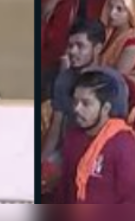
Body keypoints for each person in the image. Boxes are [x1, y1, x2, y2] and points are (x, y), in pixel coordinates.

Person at [52, 71, 135, 204]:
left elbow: (131, 201)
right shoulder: (73, 136)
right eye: (75, 102)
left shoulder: (123, 146)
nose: (77, 109)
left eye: (86, 104)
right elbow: (65, 184)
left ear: (105, 108)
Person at [41, 19, 129, 160]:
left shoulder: (113, 84)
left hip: (100, 155)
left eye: (80, 46)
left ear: (97, 49)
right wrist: (42, 161)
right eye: (70, 46)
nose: (72, 51)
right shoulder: (64, 79)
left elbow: (117, 132)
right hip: (68, 149)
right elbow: (56, 127)